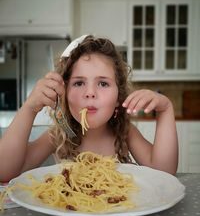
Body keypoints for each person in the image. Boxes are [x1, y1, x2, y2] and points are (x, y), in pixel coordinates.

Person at [0, 35, 178, 182]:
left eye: (102, 83)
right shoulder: (59, 135)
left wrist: (165, 110)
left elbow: (164, 173)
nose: (90, 93)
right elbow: (5, 172)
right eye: (78, 83)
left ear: (118, 97)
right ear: (64, 92)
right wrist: (29, 108)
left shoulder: (124, 133)